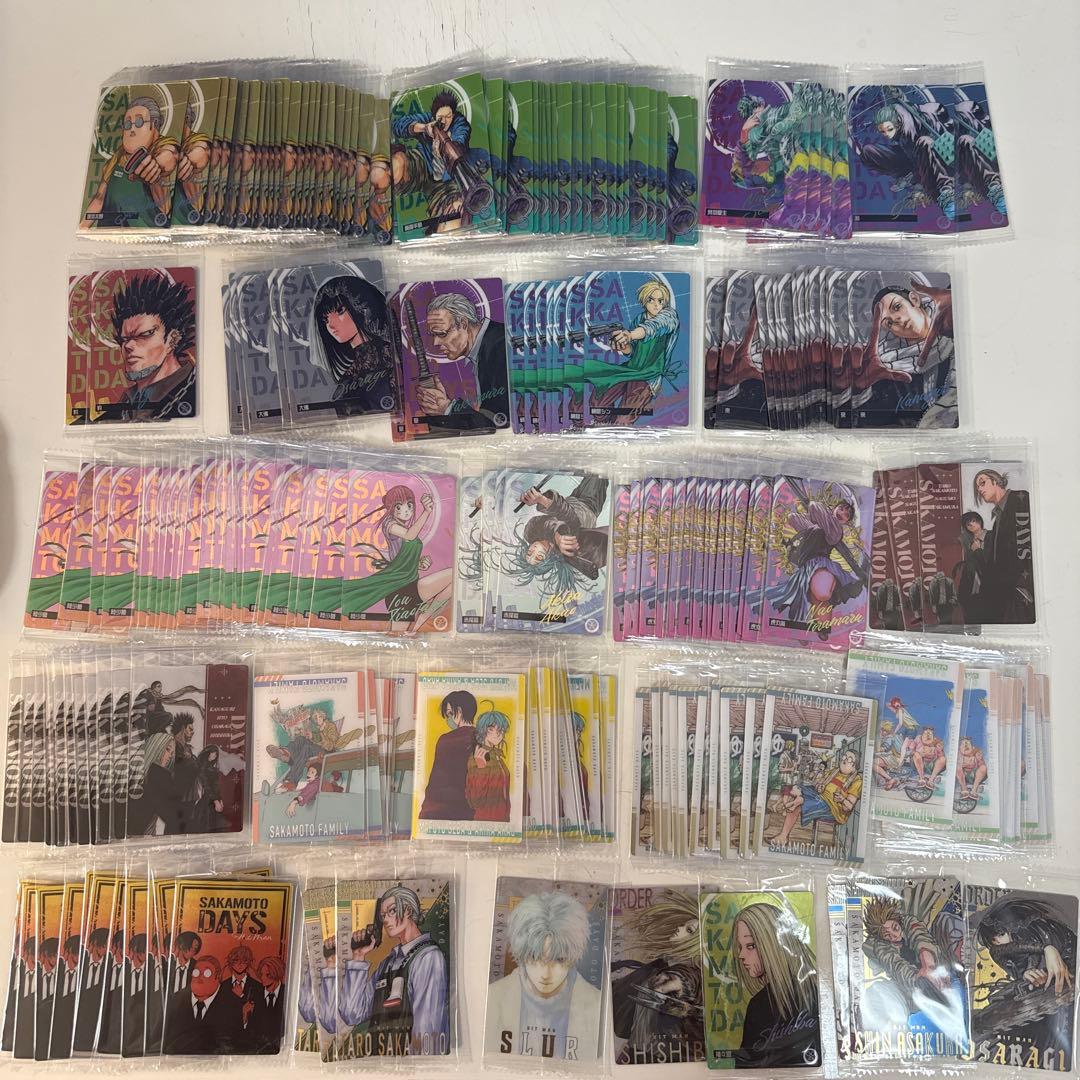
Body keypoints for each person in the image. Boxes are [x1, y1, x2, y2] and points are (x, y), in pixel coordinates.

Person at [485, 890, 602, 1060]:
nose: (546, 974)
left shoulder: (597, 1005)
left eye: (559, 960)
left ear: (573, 957)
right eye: (535, 958)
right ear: (521, 955)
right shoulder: (493, 998)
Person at [340, 884, 449, 1056]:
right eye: (383, 915)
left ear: (408, 910)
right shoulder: (387, 964)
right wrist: (358, 957)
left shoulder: (428, 958)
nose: (385, 920)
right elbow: (352, 1014)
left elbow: (427, 1035)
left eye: (391, 911)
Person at [973, 897, 1076, 1058]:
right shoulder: (998, 951)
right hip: (1037, 989)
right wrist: (1044, 951)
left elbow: (1030, 953)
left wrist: (1045, 951)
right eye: (993, 939)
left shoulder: (1039, 933)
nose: (997, 941)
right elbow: (1021, 951)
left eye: (1001, 934)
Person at [341, 486, 453, 633]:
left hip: (410, 584)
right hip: (400, 590)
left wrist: (419, 563)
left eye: (409, 505)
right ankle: (421, 621)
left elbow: (400, 559)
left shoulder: (404, 527)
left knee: (454, 577)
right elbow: (409, 535)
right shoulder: (389, 524)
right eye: (399, 507)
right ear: (390, 508)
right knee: (396, 636)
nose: (405, 511)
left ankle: (422, 620)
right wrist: (426, 512)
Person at [610, 890, 704, 1064]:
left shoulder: (689, 973)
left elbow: (687, 979)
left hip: (656, 1055)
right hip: (639, 1052)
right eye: (684, 925)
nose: (679, 928)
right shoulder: (660, 965)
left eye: (689, 930)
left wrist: (678, 982)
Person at [763, 489, 866, 639]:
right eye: (841, 508)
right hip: (806, 568)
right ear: (834, 508)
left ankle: (819, 628)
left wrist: (819, 517)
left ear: (846, 521)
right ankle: (817, 629)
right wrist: (812, 520)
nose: (843, 513)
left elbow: (815, 506)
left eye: (847, 514)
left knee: (822, 593)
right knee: (812, 598)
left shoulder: (836, 530)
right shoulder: (816, 526)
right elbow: (793, 518)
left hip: (821, 564)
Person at [727, 903, 820, 1068]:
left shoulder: (758, 1006)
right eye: (740, 947)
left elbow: (746, 1069)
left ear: (773, 944)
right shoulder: (816, 988)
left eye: (751, 946)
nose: (741, 955)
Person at [856, 280, 956, 428]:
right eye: (889, 323)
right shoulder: (889, 370)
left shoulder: (952, 310)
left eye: (897, 307)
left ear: (914, 299)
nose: (897, 320)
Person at [503, 477, 610, 609]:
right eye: (539, 557)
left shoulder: (530, 533)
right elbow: (569, 517)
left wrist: (554, 534)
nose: (535, 550)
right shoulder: (566, 547)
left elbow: (540, 522)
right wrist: (541, 500)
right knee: (598, 474)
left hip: (572, 499)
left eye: (529, 553)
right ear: (547, 559)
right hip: (588, 505)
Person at [589, 280, 683, 425]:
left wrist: (630, 335)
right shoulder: (638, 319)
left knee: (624, 419)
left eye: (660, 301)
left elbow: (653, 327)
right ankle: (605, 426)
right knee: (598, 402)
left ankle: (617, 429)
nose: (656, 304)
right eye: (651, 300)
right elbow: (633, 352)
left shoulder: (669, 316)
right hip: (631, 369)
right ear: (644, 300)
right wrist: (623, 346)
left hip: (649, 375)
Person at [106, 274, 197, 421]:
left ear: (172, 339)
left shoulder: (197, 391)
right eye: (124, 339)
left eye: (144, 334)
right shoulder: (124, 403)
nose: (128, 345)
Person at [414, 292, 509, 430]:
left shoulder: (500, 347)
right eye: (433, 335)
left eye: (441, 334)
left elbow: (498, 424)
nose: (435, 342)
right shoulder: (489, 344)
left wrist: (447, 409)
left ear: (464, 324)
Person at [82, 94, 179, 229]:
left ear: (155, 124)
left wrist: (156, 164)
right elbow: (99, 199)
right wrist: (83, 227)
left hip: (147, 235)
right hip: (109, 235)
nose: (132, 129)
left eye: (139, 122)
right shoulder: (115, 160)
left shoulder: (163, 148)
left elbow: (169, 156)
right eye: (127, 124)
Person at [853, 98, 956, 220]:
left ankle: (946, 193)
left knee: (924, 142)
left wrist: (917, 182)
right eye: (882, 132)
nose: (887, 134)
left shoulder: (911, 127)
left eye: (889, 129)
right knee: (867, 152)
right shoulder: (900, 125)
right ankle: (909, 176)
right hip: (913, 162)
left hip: (938, 159)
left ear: (898, 123)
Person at [311, 276, 395, 416]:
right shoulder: (347, 377)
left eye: (340, 311)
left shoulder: (391, 355)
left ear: (361, 307)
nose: (331, 325)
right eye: (325, 319)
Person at [971, 469, 1035, 624]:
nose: (979, 489)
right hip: (1007, 598)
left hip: (1020, 596)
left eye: (982, 483)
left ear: (996, 480)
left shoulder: (1019, 499)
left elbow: (1026, 551)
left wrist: (1023, 590)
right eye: (977, 487)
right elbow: (996, 565)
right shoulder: (997, 519)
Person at [771, 748, 864, 846]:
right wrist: (819, 786)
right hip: (820, 796)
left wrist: (842, 799)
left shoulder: (857, 781)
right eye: (844, 756)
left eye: (849, 759)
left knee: (800, 802)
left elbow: (848, 807)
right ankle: (799, 799)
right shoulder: (835, 771)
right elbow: (819, 783)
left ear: (854, 766)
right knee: (796, 787)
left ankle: (783, 836)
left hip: (834, 808)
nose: (844, 759)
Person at [163, 954, 244, 1055]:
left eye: (207, 973)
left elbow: (233, 1046)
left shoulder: (232, 1003)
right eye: (196, 972)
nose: (199, 977)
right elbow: (169, 1043)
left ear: (218, 977)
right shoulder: (175, 1000)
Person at [419, 691, 479, 820]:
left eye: (450, 714)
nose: (448, 719)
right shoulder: (483, 737)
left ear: (460, 711)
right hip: (470, 808)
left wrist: (425, 810)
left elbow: (436, 780)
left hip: (442, 808)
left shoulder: (445, 740)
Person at [465, 706, 512, 821]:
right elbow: (475, 801)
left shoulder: (497, 756)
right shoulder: (477, 757)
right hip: (486, 820)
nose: (500, 734)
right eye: (497, 730)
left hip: (503, 819)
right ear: (485, 730)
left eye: (502, 730)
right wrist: (481, 768)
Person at [73, 926, 111, 1051]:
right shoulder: (80, 964)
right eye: (104, 945)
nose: (106, 949)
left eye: (108, 945)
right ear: (95, 943)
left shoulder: (109, 967)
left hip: (97, 1023)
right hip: (78, 1020)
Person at [956, 511, 990, 624]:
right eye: (968, 524)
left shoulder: (992, 536)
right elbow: (968, 566)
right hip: (969, 591)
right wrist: (961, 594)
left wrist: (978, 550)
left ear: (980, 521)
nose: (971, 525)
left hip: (988, 589)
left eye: (973, 521)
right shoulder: (968, 541)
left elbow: (990, 562)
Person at [122, 933, 149, 1057]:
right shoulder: (122, 971)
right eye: (144, 950)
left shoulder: (152, 973)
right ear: (134, 950)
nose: (146, 954)